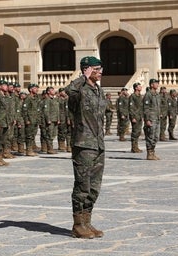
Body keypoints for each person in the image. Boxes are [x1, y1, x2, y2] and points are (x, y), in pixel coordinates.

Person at [65, 56, 106, 239]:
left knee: (94, 186)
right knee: (82, 185)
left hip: (98, 144)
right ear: (87, 69)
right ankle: (78, 224)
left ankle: (87, 221)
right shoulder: (79, 91)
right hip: (83, 144)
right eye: (97, 69)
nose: (101, 72)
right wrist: (83, 77)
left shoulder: (98, 90)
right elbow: (68, 90)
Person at [143, 78, 161, 160]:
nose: (157, 84)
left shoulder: (157, 94)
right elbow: (146, 108)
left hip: (156, 118)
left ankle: (153, 152)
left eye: (157, 83)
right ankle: (149, 153)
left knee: (156, 136)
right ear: (151, 85)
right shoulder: (148, 94)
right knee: (150, 136)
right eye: (155, 83)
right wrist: (147, 119)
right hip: (151, 118)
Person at [128, 82, 143, 153]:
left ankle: (136, 146)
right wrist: (132, 117)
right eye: (139, 86)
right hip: (135, 117)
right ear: (136, 88)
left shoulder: (140, 96)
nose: (141, 87)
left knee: (138, 132)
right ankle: (134, 147)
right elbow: (131, 107)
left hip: (139, 116)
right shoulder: (132, 96)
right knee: (135, 132)